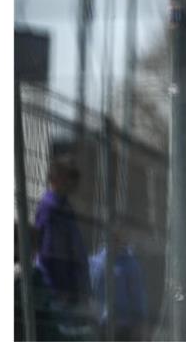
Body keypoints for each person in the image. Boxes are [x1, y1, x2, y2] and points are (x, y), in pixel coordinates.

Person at [34, 140, 95, 338]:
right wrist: (61, 290)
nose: (75, 183)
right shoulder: (52, 208)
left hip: (70, 293)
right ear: (57, 178)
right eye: (71, 177)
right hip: (61, 293)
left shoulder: (63, 206)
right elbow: (51, 253)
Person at [89, 223, 148, 341]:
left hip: (117, 326)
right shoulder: (95, 263)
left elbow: (137, 297)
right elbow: (137, 299)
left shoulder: (129, 264)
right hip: (107, 325)